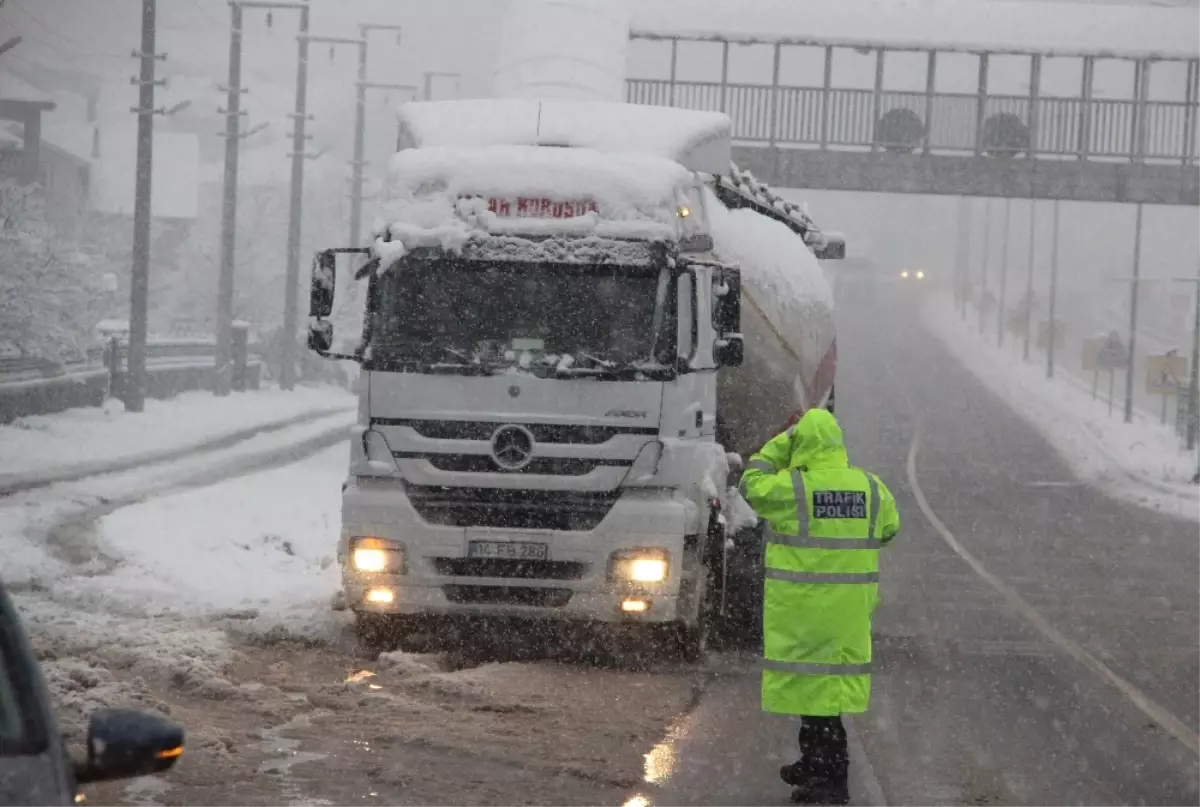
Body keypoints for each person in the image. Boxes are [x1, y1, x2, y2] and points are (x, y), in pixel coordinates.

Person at [739, 408, 900, 804]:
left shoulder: (793, 489)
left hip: (804, 612)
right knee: (821, 696)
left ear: (802, 444)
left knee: (819, 699)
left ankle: (830, 783)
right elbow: (890, 529)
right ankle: (814, 765)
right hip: (847, 614)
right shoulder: (872, 487)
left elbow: (750, 481)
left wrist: (782, 442)